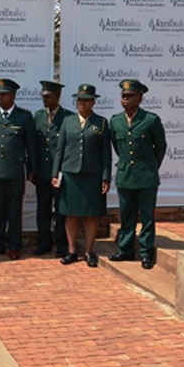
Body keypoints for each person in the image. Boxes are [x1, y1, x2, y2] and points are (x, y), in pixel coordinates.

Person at [108, 79, 168, 270]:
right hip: (125, 176)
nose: (125, 99)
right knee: (126, 216)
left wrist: (149, 167)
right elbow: (118, 148)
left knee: (147, 217)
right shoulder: (115, 121)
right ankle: (125, 249)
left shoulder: (151, 120)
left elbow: (160, 148)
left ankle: (145, 253)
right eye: (123, 96)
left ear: (140, 98)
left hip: (146, 177)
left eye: (129, 96)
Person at [52, 84, 111, 268]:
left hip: (92, 176)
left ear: (93, 102)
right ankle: (71, 251)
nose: (82, 104)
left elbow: (106, 153)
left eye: (86, 100)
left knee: (91, 216)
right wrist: (55, 173)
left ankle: (88, 251)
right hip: (70, 175)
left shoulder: (101, 123)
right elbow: (59, 149)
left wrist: (105, 177)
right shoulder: (67, 121)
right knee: (71, 215)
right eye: (79, 100)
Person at [0, 78, 37, 260]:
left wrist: (31, 169)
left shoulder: (24, 117)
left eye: (4, 95)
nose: (0, 98)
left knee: (14, 210)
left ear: (13, 95)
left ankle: (14, 245)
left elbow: (31, 146)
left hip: (14, 172)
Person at [32, 80, 73, 258]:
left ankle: (62, 245)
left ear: (58, 96)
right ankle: (44, 243)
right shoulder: (38, 116)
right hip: (42, 172)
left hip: (60, 173)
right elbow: (34, 146)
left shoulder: (68, 117)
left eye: (48, 96)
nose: (45, 100)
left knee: (61, 211)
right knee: (43, 209)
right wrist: (33, 169)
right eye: (43, 96)